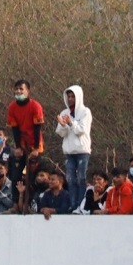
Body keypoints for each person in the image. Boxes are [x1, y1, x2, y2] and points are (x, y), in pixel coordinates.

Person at [54, 85, 92, 214]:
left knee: (81, 178)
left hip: (82, 151)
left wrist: (71, 123)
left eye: (72, 97)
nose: (70, 99)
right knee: (70, 179)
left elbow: (82, 130)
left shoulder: (85, 111)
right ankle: (73, 204)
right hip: (69, 151)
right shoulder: (64, 112)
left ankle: (81, 205)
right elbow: (61, 133)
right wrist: (63, 124)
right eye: (68, 96)